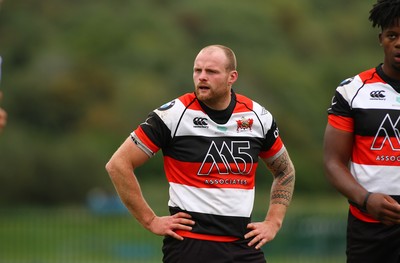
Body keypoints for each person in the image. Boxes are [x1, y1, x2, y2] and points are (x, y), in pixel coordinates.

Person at [106, 44, 295, 263]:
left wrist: (273, 222)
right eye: (198, 71)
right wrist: (150, 221)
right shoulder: (173, 115)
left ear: (231, 77)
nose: (202, 77)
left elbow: (285, 171)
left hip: (243, 246)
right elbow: (118, 164)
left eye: (211, 72)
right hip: (189, 247)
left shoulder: (258, 118)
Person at [323, 1, 400, 262]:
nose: (399, 43)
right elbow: (333, 163)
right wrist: (367, 200)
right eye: (392, 35)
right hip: (368, 226)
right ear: (381, 40)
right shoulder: (352, 90)